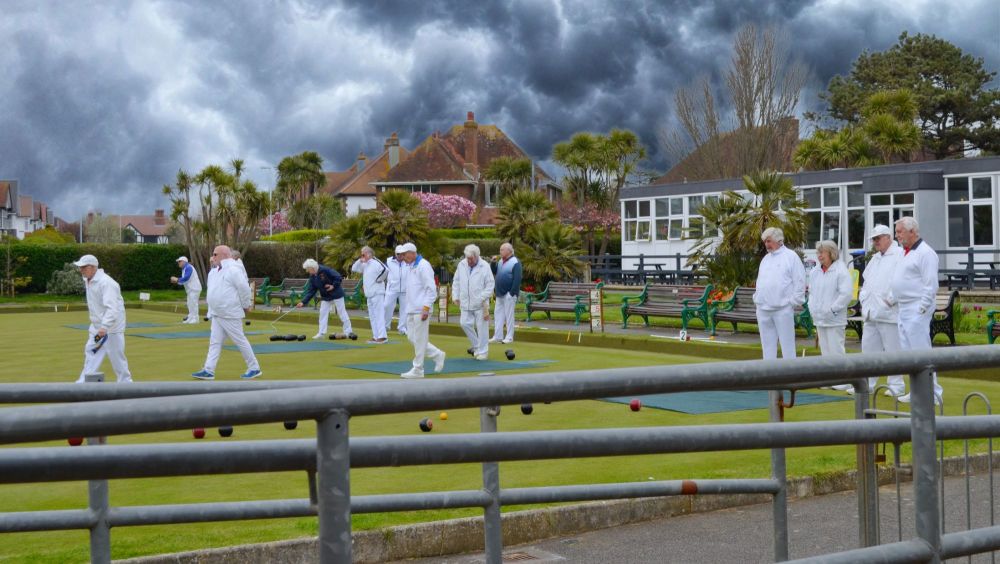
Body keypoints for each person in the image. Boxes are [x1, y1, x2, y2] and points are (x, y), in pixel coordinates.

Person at [890, 216, 943, 404]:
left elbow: (931, 284)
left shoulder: (925, 253)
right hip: (904, 308)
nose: (897, 235)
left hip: (916, 308)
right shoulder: (906, 253)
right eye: (896, 232)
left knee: (921, 352)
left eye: (899, 231)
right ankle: (917, 391)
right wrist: (893, 297)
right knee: (909, 354)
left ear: (912, 231)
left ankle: (934, 393)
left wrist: (922, 308)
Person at [192, 245, 261, 380]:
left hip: (230, 312)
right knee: (215, 342)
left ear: (224, 254)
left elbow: (244, 289)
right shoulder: (214, 271)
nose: (212, 257)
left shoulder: (234, 269)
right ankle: (209, 369)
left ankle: (254, 367)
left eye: (215, 254)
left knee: (239, 340)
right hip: (217, 313)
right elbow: (213, 291)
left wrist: (246, 305)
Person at [858, 224, 906, 397]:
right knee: (868, 349)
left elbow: (902, 281)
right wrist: (863, 297)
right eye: (874, 239)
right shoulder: (875, 258)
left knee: (893, 351)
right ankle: (867, 383)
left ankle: (896, 385)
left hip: (889, 313)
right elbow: (867, 281)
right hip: (871, 312)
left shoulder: (899, 255)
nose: (875, 242)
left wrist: (890, 301)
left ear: (888, 237)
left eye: (878, 238)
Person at [74, 254, 133, 383]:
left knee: (116, 357)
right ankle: (83, 381)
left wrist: (104, 326)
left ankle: (126, 384)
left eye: (83, 267)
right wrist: (99, 326)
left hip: (112, 328)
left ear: (92, 267)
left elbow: (112, 308)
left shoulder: (107, 283)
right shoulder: (88, 280)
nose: (81, 270)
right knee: (91, 350)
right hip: (96, 327)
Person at [806, 240, 854, 392]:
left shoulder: (841, 271)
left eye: (822, 252)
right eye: (818, 252)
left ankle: (842, 381)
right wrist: (811, 307)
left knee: (836, 350)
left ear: (831, 253)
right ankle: (828, 379)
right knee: (825, 350)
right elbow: (812, 293)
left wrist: (833, 310)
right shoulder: (815, 272)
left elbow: (846, 294)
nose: (819, 256)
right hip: (820, 318)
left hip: (834, 319)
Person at [753, 227, 806, 359]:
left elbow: (800, 281)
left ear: (779, 240)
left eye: (769, 241)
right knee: (767, 347)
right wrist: (757, 298)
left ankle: (790, 378)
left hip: (782, 309)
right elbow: (760, 282)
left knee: (787, 347)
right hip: (763, 309)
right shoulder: (765, 259)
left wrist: (793, 302)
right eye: (765, 241)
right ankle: (769, 378)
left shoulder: (791, 257)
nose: (767, 244)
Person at [400, 242, 445, 378]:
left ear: (413, 253)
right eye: (402, 254)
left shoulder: (423, 266)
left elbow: (431, 290)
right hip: (411, 308)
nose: (403, 257)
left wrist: (426, 308)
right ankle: (437, 354)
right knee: (412, 337)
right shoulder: (410, 266)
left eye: (405, 254)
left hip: (421, 309)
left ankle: (418, 369)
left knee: (419, 339)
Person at [452, 244, 495, 360]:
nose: (469, 261)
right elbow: (456, 280)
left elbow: (490, 284)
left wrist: (482, 297)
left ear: (477, 256)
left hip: (481, 304)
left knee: (482, 328)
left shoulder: (484, 266)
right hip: (465, 302)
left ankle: (483, 352)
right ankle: (477, 346)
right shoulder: (462, 264)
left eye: (471, 258)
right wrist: (455, 295)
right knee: (464, 323)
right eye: (467, 258)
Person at [296, 258, 353, 339]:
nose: (307, 271)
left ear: (312, 268)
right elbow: (311, 291)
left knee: (341, 312)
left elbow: (338, 276)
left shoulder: (325, 270)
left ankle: (348, 331)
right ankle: (321, 333)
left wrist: (333, 285)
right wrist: (303, 302)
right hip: (326, 296)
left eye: (308, 269)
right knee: (322, 313)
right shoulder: (312, 276)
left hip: (336, 294)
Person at [351, 246, 388, 344]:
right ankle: (376, 336)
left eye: (363, 254)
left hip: (377, 292)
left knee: (379, 315)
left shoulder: (376, 262)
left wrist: (379, 280)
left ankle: (383, 337)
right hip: (369, 294)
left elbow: (386, 270)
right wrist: (360, 260)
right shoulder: (365, 264)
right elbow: (354, 268)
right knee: (372, 316)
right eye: (361, 254)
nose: (362, 255)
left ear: (369, 254)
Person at [491, 242, 521, 344]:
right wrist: (493, 263)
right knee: (498, 315)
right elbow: (495, 272)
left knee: (509, 316)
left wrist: (512, 293)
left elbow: (517, 279)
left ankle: (509, 337)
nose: (500, 251)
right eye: (500, 250)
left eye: (502, 250)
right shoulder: (500, 262)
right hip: (499, 293)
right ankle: (498, 336)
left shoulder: (515, 262)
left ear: (509, 251)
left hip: (509, 294)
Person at [384, 245, 408, 336]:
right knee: (387, 306)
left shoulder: (408, 261)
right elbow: (383, 272)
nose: (400, 256)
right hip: (392, 289)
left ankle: (402, 328)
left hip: (405, 289)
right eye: (398, 254)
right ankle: (386, 327)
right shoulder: (388, 261)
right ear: (395, 254)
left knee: (404, 309)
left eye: (402, 254)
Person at [171, 256, 202, 324]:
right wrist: (177, 281)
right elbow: (184, 281)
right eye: (178, 262)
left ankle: (195, 319)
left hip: (194, 288)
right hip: (190, 290)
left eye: (179, 261)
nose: (178, 263)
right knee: (189, 303)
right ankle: (190, 318)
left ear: (184, 262)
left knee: (193, 303)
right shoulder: (184, 269)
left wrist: (176, 279)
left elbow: (186, 278)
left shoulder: (188, 267)